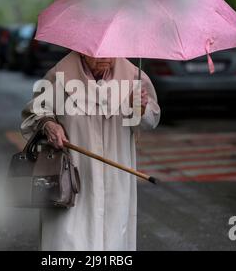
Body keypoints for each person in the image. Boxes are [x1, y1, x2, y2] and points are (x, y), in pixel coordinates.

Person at [20, 51, 160, 250]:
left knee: (113, 241)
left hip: (115, 178)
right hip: (70, 179)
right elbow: (35, 112)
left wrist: (140, 108)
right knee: (68, 242)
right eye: (98, 51)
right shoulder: (60, 75)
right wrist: (49, 124)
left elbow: (150, 121)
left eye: (111, 49)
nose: (105, 55)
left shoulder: (133, 76)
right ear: (82, 49)